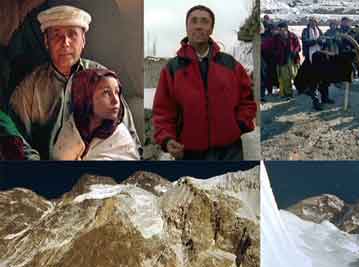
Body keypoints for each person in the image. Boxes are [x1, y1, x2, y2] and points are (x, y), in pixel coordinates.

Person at [7, 5, 140, 160]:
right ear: (46, 41)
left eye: (72, 35)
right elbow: (14, 137)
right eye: (57, 36)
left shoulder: (102, 78)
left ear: (83, 40)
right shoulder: (30, 87)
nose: (65, 43)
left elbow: (130, 139)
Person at [152, 5, 257, 161]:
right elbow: (163, 111)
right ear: (187, 27)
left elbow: (247, 100)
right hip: (188, 153)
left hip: (229, 152)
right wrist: (167, 139)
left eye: (204, 22)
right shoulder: (172, 69)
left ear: (211, 29)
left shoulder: (230, 64)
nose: (199, 26)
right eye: (193, 21)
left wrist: (239, 125)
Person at [52, 69, 139, 160]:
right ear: (85, 97)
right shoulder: (71, 128)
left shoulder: (120, 139)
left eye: (117, 92)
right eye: (106, 92)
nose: (116, 101)